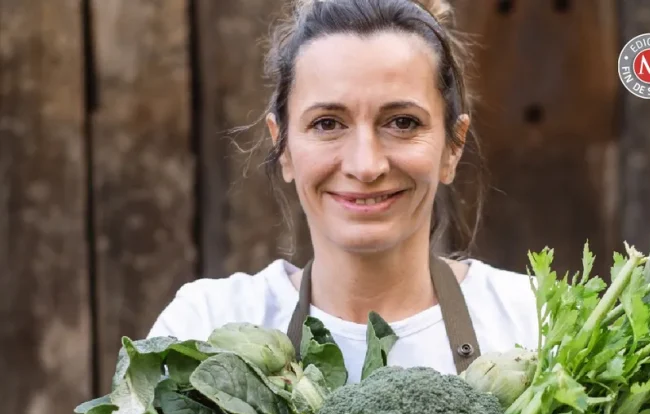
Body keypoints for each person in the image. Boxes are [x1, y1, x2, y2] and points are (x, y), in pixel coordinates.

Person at [148, 0, 538, 384]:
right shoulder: (202, 330)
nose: (365, 166)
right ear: (283, 147)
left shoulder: (537, 324)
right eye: (327, 124)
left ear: (453, 146)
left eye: (402, 122)